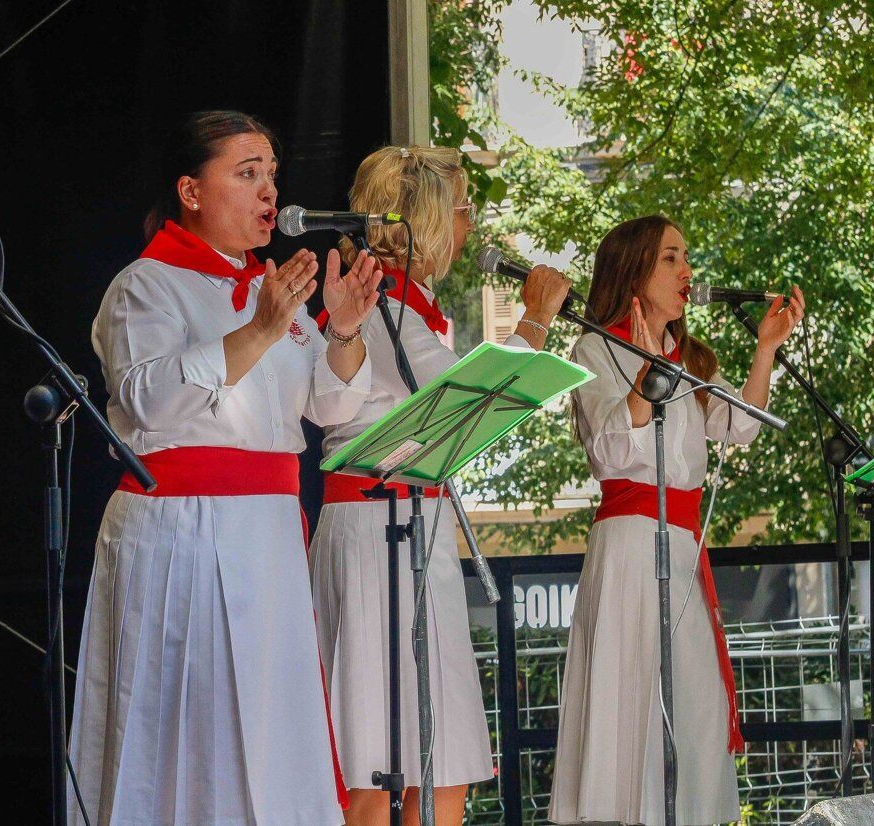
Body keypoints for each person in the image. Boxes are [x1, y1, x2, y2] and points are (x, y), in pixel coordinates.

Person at [70, 110, 384, 825]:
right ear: (190, 189)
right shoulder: (144, 286)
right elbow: (149, 400)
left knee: (273, 735)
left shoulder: (272, 289)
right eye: (247, 173)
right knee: (182, 735)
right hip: (182, 531)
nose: (268, 190)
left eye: (271, 174)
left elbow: (327, 408)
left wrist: (340, 328)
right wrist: (262, 329)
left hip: (267, 534)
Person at [308, 144, 573, 824]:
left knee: (442, 747)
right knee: (373, 748)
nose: (471, 226)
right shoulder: (379, 302)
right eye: (462, 209)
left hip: (418, 527)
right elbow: (454, 393)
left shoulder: (419, 308)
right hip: (373, 530)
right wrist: (534, 318)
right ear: (421, 219)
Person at [548, 215, 804, 825]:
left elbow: (739, 425)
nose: (687, 271)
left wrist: (765, 349)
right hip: (632, 542)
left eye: (686, 257)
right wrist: (643, 382)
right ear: (634, 268)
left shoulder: (687, 356)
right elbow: (611, 450)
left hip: (682, 546)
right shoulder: (593, 345)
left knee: (692, 706)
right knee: (631, 703)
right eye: (670, 258)